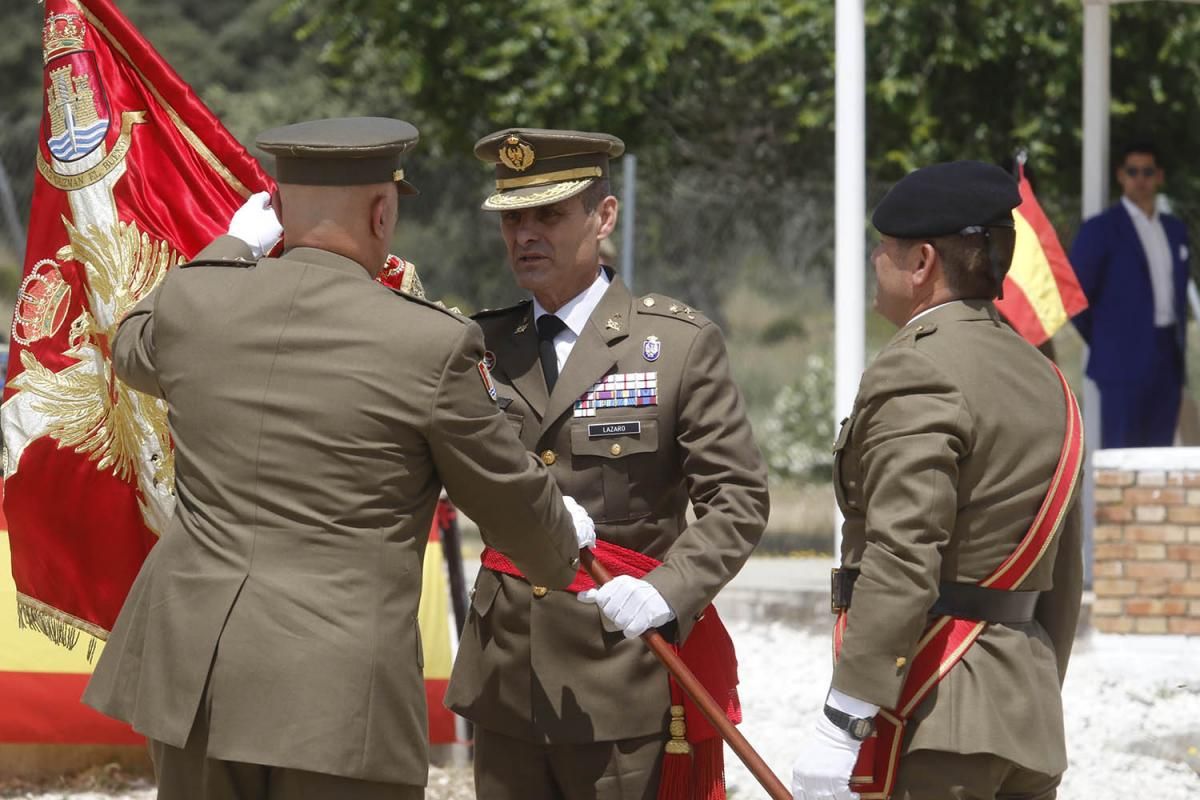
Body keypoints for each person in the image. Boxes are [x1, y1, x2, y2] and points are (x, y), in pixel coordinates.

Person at [83, 116, 596, 800]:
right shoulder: (429, 344)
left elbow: (132, 344)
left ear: (277, 211)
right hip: (332, 693)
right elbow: (516, 512)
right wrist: (564, 540)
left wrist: (231, 245)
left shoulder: (195, 301)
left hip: (194, 673)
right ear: (382, 212)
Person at [443, 128, 771, 800]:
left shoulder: (674, 345)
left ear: (604, 217)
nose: (525, 235)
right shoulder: (477, 345)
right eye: (513, 218)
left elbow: (737, 497)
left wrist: (667, 591)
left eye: (549, 215)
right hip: (507, 677)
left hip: (620, 667)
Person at [790, 161, 1084, 800]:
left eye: (885, 249)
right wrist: (1027, 692)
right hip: (1028, 715)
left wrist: (844, 718)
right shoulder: (1050, 381)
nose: (875, 261)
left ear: (921, 262)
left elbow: (902, 555)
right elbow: (1062, 577)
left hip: (934, 716)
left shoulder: (918, 370)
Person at [1069, 141, 1190, 448]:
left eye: (1147, 172)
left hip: (1167, 357)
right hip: (1121, 361)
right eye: (1132, 171)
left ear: (1159, 176)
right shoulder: (1102, 229)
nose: (1140, 179)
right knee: (1122, 457)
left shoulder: (1175, 230)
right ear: (1121, 176)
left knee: (1160, 458)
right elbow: (1075, 296)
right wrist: (1106, 339)